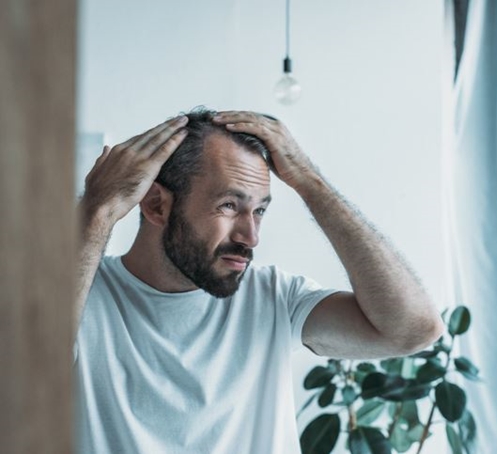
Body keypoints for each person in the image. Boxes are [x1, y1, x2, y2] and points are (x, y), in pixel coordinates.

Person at [74, 108, 444, 453]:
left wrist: (309, 182)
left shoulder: (274, 297)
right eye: (229, 206)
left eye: (260, 210)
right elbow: (21, 372)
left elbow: (412, 331)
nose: (251, 237)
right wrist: (97, 210)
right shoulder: (82, 294)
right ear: (156, 206)